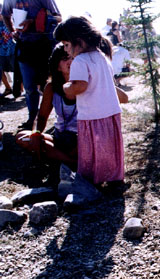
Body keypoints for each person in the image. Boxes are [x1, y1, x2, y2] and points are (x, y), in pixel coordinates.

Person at [54, 16, 125, 186]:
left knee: (93, 149)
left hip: (92, 115)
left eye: (66, 45)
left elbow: (80, 86)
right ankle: (114, 176)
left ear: (78, 41)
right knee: (109, 148)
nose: (66, 50)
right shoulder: (101, 57)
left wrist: (66, 87)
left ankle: (92, 179)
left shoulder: (80, 60)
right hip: (111, 113)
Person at [15, 44, 78, 170]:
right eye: (65, 58)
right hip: (59, 137)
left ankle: (62, 159)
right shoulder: (51, 87)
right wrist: (36, 133)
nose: (71, 61)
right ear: (57, 66)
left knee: (84, 147)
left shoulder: (86, 85)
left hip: (81, 139)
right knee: (22, 136)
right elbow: (42, 117)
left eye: (74, 58)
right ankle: (70, 161)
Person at [2, 0, 61, 130]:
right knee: (29, 86)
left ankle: (60, 119)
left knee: (50, 85)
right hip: (24, 45)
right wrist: (12, 31)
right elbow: (5, 15)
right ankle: (32, 119)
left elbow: (58, 17)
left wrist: (34, 21)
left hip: (45, 45)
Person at [0, 4, 15, 99]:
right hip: (1, 49)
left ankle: (19, 88)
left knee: (17, 69)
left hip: (12, 48)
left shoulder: (10, 19)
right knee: (0, 69)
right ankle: (8, 88)